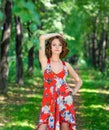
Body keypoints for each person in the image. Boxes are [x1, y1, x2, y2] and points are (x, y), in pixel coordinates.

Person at [36, 33, 82, 130]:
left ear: (62, 47)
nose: (57, 47)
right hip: (48, 102)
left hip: (65, 101)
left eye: (59, 45)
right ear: (50, 47)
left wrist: (73, 91)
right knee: (42, 126)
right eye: (54, 45)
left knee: (64, 126)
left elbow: (79, 81)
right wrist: (57, 34)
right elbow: (42, 38)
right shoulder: (45, 62)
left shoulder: (66, 65)